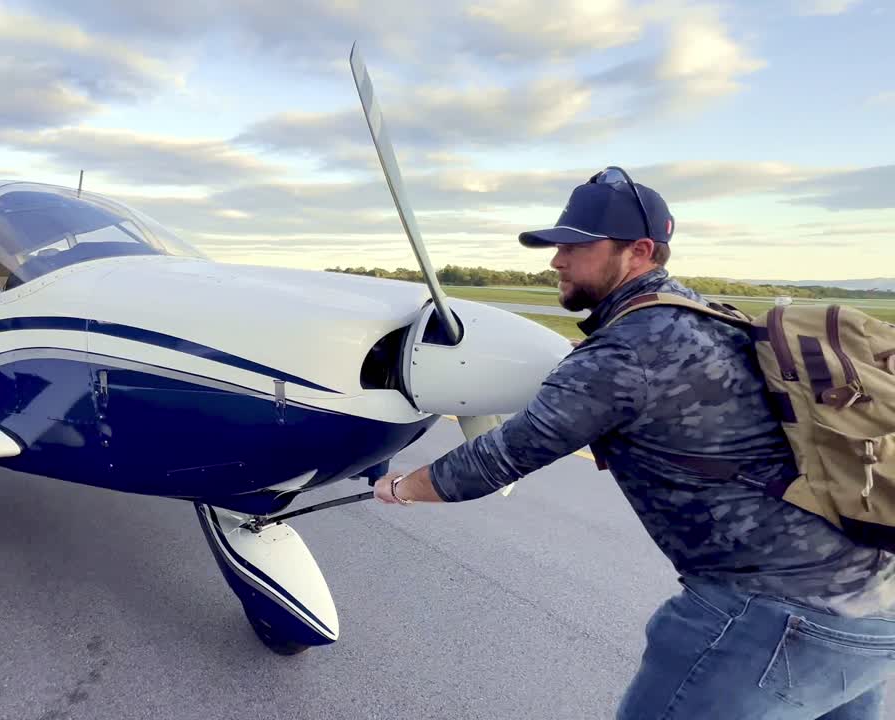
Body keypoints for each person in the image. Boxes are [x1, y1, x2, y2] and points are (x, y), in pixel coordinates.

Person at [374, 167, 895, 719]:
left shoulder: (628, 350)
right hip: (871, 610)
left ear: (640, 250)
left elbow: (499, 458)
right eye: (556, 246)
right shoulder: (715, 318)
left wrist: (400, 486)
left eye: (576, 246)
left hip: (772, 623)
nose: (557, 259)